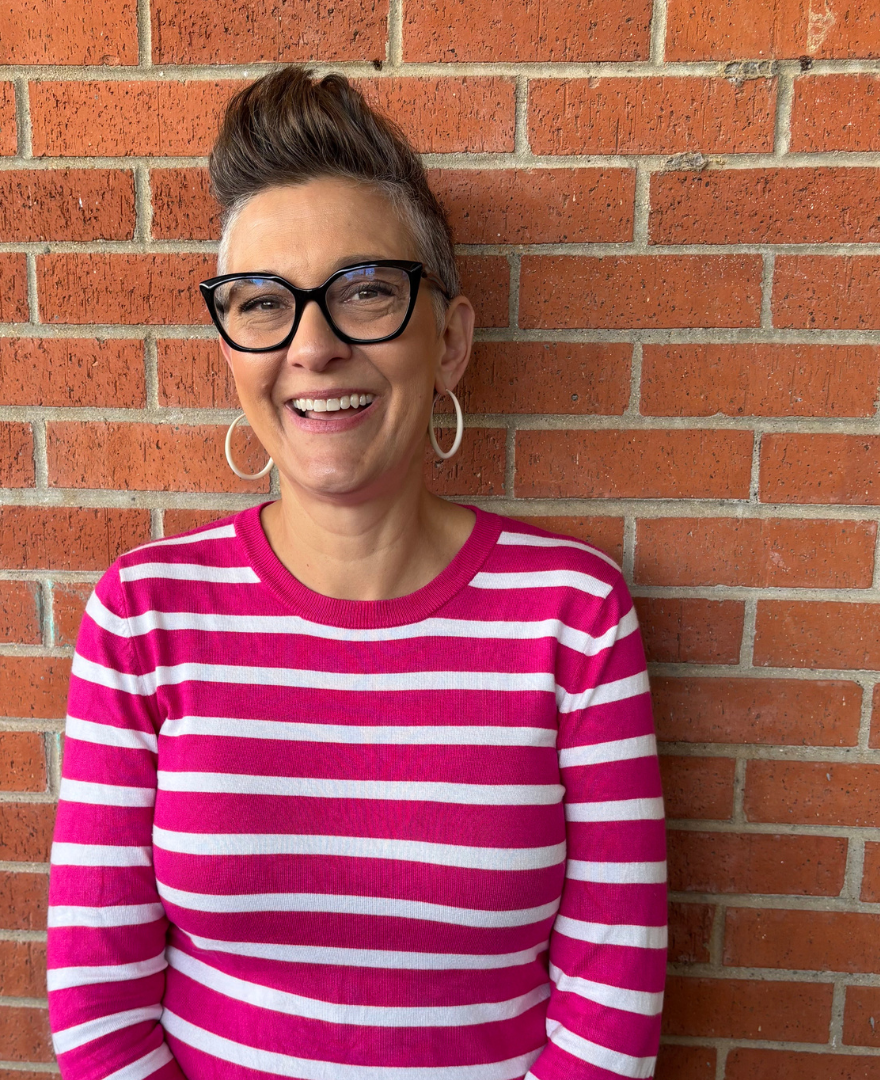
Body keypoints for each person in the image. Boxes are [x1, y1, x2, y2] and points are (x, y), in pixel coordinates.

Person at [46, 67, 666, 1080]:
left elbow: (613, 985)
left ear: (452, 341)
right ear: (230, 348)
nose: (314, 346)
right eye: (261, 304)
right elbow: (97, 992)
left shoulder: (573, 615)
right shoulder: (144, 615)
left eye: (366, 292)